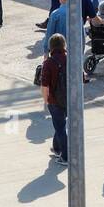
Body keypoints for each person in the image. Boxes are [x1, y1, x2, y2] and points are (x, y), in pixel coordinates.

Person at [39, 33, 69, 164]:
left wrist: (46, 101)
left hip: (54, 100)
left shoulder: (49, 63)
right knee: (61, 124)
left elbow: (44, 85)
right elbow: (82, 77)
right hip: (70, 98)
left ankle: (66, 156)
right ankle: (57, 149)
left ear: (51, 47)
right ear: (64, 45)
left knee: (60, 127)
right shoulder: (70, 59)